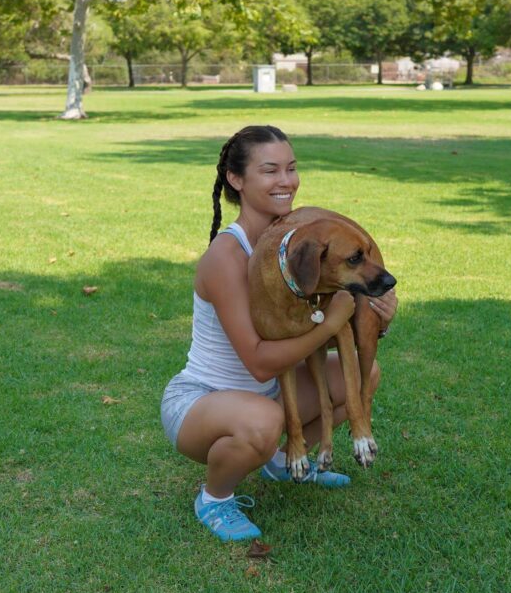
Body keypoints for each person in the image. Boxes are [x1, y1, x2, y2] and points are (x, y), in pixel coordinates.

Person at [161, 125, 398, 542]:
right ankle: (215, 498)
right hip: (202, 401)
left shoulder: (301, 242)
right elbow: (257, 362)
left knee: (364, 376)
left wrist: (377, 314)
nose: (286, 181)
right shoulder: (227, 257)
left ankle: (283, 458)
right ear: (237, 180)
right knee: (265, 418)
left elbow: (320, 322)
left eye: (291, 168)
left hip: (268, 395)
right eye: (270, 171)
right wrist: (337, 317)